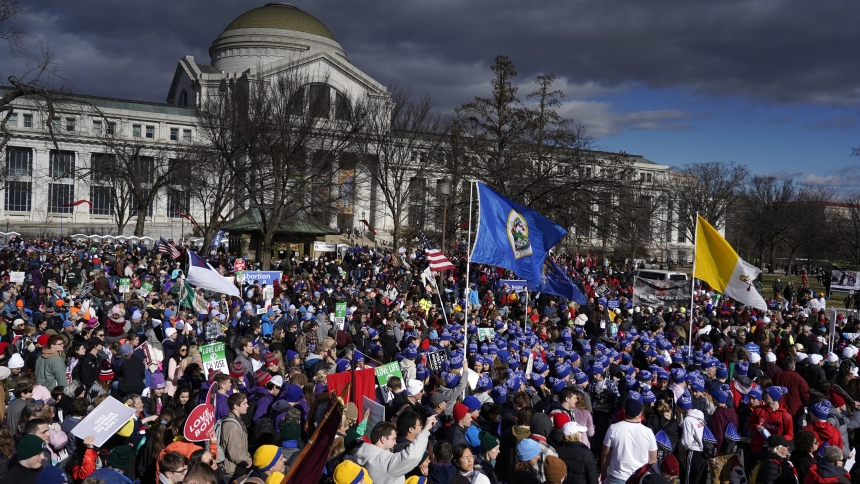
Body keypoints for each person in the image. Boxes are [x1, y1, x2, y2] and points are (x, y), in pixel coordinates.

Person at [353, 416, 437, 484]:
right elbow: (412, 456)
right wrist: (425, 430)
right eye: (393, 439)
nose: (395, 443)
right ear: (383, 439)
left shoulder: (364, 454)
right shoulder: (383, 461)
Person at [600, 392, 657, 484]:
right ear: (640, 413)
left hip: (617, 477)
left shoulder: (613, 428)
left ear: (625, 411)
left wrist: (603, 471)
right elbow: (653, 459)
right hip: (640, 478)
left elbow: (605, 454)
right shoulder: (648, 432)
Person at [219, 393, 253, 482]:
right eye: (244, 403)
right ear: (235, 406)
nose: (248, 406)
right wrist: (247, 460)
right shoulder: (233, 426)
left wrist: (247, 456)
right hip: (231, 472)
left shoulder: (236, 422)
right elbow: (235, 452)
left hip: (235, 469)